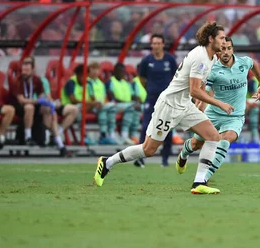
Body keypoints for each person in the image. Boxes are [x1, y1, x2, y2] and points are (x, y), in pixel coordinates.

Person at [94, 21, 234, 195]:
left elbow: (201, 84)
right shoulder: (200, 56)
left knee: (213, 136)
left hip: (184, 105)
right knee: (148, 150)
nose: (224, 41)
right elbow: (194, 89)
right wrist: (220, 104)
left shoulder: (211, 57)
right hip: (169, 106)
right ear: (211, 38)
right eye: (221, 38)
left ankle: (199, 182)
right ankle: (107, 163)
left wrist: (200, 104)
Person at [176, 36, 260, 181]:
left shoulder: (243, 62)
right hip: (214, 114)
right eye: (222, 49)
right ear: (218, 51)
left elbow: (254, 64)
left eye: (229, 48)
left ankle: (203, 178)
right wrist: (200, 104)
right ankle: (183, 155)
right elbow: (205, 91)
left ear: (232, 49)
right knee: (195, 144)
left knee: (225, 141)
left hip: (235, 117)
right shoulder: (213, 69)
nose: (226, 52)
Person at [137, 34, 178, 167]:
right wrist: (150, 89)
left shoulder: (170, 60)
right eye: (154, 43)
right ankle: (140, 158)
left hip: (167, 100)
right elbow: (142, 79)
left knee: (168, 128)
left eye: (158, 43)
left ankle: (165, 159)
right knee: (145, 127)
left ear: (163, 45)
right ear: (151, 45)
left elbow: (175, 77)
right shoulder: (146, 61)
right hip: (151, 98)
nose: (156, 46)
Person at [15, 57, 68, 155]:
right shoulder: (18, 81)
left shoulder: (37, 80)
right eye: (23, 70)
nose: (24, 72)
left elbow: (41, 96)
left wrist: (49, 103)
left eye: (27, 70)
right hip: (20, 107)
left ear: (33, 70)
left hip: (35, 106)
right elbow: (21, 100)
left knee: (49, 109)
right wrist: (37, 101)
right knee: (29, 107)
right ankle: (28, 137)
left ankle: (54, 140)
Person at [61, 63, 116, 145]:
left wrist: (97, 103)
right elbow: (73, 100)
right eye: (83, 76)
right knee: (80, 109)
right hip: (71, 108)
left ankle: (103, 135)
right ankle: (84, 136)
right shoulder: (71, 83)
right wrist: (91, 103)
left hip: (87, 106)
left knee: (104, 108)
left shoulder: (88, 84)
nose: (85, 79)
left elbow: (92, 98)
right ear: (78, 75)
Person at [107, 63, 142, 145]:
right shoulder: (111, 81)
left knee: (137, 107)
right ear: (115, 72)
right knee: (132, 107)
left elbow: (132, 95)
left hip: (127, 105)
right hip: (116, 105)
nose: (123, 74)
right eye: (120, 72)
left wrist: (137, 100)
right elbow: (111, 97)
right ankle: (124, 134)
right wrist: (128, 103)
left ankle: (133, 134)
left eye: (123, 72)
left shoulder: (126, 83)